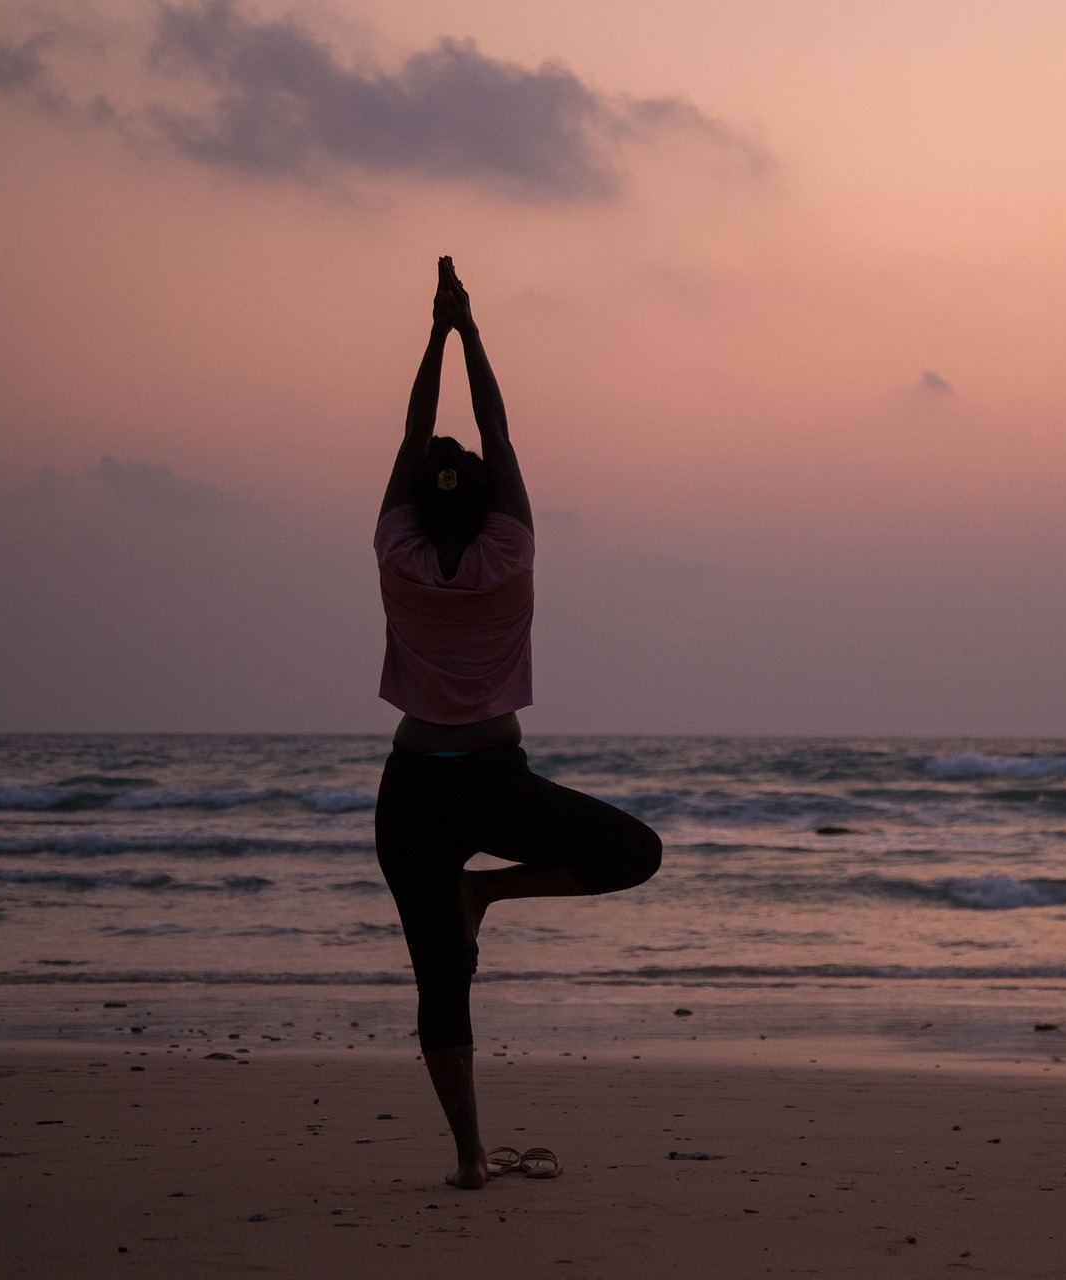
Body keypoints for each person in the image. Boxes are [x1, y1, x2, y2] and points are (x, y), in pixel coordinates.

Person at [373, 257, 662, 1190]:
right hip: (495, 784)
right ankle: (488, 896)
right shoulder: (511, 549)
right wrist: (468, 331)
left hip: (414, 789)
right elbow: (493, 430)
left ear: (416, 502)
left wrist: (434, 334)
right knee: (635, 853)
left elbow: (419, 432)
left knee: (440, 986)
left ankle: (468, 1158)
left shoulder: (399, 553)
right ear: (489, 500)